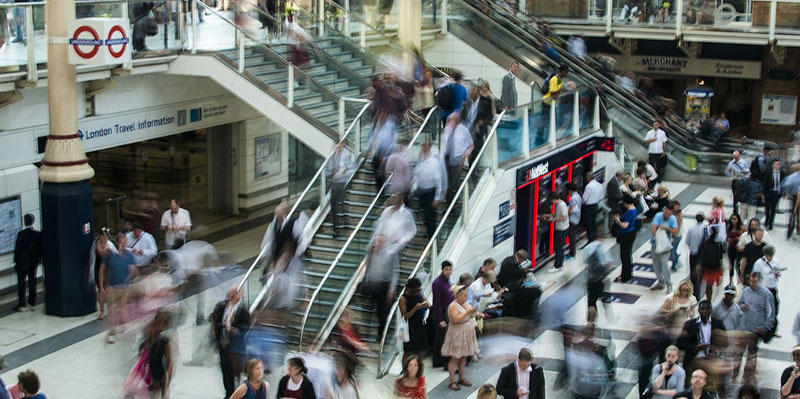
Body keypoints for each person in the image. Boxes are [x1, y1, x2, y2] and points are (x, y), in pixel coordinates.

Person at [363, 194, 417, 337]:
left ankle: (381, 334)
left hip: (384, 284)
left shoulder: (390, 254)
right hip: (373, 283)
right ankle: (367, 331)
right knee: (369, 307)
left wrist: (391, 289)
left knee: (382, 311)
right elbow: (368, 267)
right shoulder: (372, 253)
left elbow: (395, 272)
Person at [211, 287, 251, 398]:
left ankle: (236, 394)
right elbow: (214, 319)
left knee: (235, 373)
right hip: (223, 345)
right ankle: (228, 393)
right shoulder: (221, 307)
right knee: (225, 371)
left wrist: (236, 331)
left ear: (239, 295)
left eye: (234, 294)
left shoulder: (243, 311)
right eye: (230, 294)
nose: (231, 296)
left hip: (235, 349)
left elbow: (246, 329)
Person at [442, 285, 481, 391]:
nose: (465, 298)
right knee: (455, 357)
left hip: (467, 333)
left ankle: (461, 378)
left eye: (466, 295)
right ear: (457, 296)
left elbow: (470, 314)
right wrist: (468, 312)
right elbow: (455, 319)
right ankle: (452, 381)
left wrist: (476, 313)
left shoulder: (466, 303)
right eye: (463, 296)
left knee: (463, 356)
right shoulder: (453, 306)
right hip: (457, 333)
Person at [100, 233, 137, 344]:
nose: (124, 244)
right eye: (122, 242)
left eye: (125, 242)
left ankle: (125, 328)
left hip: (125, 288)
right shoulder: (109, 254)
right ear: (117, 242)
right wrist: (101, 286)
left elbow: (132, 271)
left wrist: (129, 283)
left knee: (125, 310)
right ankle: (112, 333)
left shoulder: (129, 255)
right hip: (112, 287)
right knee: (111, 310)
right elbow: (102, 270)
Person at [738, 271, 774, 384]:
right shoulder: (746, 291)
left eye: (754, 282)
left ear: (760, 281)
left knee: (751, 353)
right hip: (744, 328)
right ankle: (735, 373)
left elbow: (771, 313)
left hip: (756, 330)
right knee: (739, 352)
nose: (752, 284)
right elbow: (738, 304)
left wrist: (765, 327)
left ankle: (748, 376)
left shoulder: (766, 294)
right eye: (751, 281)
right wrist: (743, 306)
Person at [260, 199, 310, 272]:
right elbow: (269, 239)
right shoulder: (275, 223)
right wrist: (264, 254)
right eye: (276, 214)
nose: (277, 217)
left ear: (285, 213)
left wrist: (296, 255)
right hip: (280, 256)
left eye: (279, 214)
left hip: (292, 257)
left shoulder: (296, 221)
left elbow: (304, 239)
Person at [677, 300, 726, 373]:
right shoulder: (690, 324)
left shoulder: (717, 323)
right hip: (694, 360)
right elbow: (680, 343)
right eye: (702, 309)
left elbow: (725, 341)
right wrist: (695, 347)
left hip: (711, 360)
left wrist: (715, 349)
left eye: (707, 309)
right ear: (699, 310)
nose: (704, 311)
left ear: (711, 310)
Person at [413, 139, 444, 239]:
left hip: (430, 191)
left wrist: (437, 198)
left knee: (431, 215)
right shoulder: (421, 160)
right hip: (421, 191)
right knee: (424, 213)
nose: (422, 148)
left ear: (429, 147)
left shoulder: (434, 162)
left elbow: (438, 180)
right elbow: (416, 174)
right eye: (422, 146)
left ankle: (432, 235)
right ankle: (428, 231)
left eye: (424, 146)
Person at [443, 112, 474, 204]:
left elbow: (471, 146)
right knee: (447, 181)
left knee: (454, 183)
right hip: (446, 157)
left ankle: (454, 204)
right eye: (451, 119)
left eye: (454, 119)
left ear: (458, 120)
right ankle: (449, 201)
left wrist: (465, 156)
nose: (452, 122)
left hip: (457, 159)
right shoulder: (447, 129)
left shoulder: (463, 130)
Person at [13, 213, 42, 312]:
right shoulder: (36, 234)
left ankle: (22, 304)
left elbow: (18, 249)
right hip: (33, 263)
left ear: (25, 222)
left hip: (22, 263)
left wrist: (16, 260)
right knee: (32, 281)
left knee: (21, 283)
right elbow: (39, 249)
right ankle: (32, 302)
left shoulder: (21, 234)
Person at [142, 310, 173, 398]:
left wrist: (167, 377)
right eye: (156, 323)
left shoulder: (164, 341)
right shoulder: (148, 341)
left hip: (160, 375)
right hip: (152, 376)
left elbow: (170, 361)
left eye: (161, 324)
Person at [326, 141, 356, 230]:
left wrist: (343, 174)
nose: (339, 148)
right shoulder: (332, 157)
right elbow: (326, 169)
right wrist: (330, 175)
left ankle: (345, 221)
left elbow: (352, 168)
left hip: (343, 183)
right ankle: (335, 227)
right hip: (334, 183)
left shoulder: (347, 156)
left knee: (342, 203)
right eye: (337, 146)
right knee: (333, 205)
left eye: (341, 146)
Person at [752, 245, 781, 335]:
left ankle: (772, 329)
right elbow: (755, 275)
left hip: (772, 287)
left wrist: (777, 274)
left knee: (775, 307)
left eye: (771, 255)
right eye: (768, 255)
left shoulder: (776, 261)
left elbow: (778, 272)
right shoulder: (759, 263)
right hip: (763, 289)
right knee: (763, 309)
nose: (770, 257)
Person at [399, 278, 430, 362]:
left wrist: (425, 303)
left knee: (419, 350)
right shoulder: (403, 299)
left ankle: (417, 368)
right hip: (410, 327)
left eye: (419, 290)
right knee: (408, 351)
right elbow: (405, 316)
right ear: (409, 288)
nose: (417, 292)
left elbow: (428, 305)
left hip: (420, 324)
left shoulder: (419, 294)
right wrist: (416, 308)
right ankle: (405, 369)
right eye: (416, 290)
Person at [651, 203, 680, 292]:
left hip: (665, 245)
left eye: (669, 214)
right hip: (655, 244)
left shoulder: (672, 219)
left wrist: (666, 228)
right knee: (656, 264)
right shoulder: (658, 216)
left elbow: (675, 231)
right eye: (666, 213)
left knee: (665, 264)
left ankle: (669, 284)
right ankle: (661, 281)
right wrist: (657, 237)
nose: (667, 215)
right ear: (664, 211)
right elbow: (654, 227)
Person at [431, 261, 454, 368]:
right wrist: (440, 319)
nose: (448, 272)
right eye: (446, 270)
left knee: (443, 337)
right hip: (441, 313)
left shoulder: (446, 281)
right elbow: (437, 303)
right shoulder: (438, 283)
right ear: (442, 270)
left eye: (450, 269)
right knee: (441, 338)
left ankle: (441, 359)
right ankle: (438, 360)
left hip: (447, 312)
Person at [584, 238, 613, 321]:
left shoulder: (588, 248)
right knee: (605, 299)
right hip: (601, 279)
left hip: (591, 278)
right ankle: (609, 317)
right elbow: (608, 264)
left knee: (591, 300)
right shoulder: (602, 249)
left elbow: (585, 261)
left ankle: (591, 319)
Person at [697, 227, 724, 302]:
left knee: (709, 286)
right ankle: (710, 301)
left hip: (708, 268)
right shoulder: (719, 244)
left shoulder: (705, 243)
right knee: (713, 286)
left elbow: (701, 255)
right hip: (714, 268)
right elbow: (721, 257)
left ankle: (709, 300)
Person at [615, 196, 638, 282]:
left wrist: (618, 221)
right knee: (628, 255)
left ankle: (625, 275)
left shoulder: (629, 213)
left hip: (626, 235)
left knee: (624, 256)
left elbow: (625, 225)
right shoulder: (634, 209)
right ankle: (628, 273)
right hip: (632, 233)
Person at [545, 192, 569, 273]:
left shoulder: (561, 205)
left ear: (554, 199)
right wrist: (548, 215)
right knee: (560, 248)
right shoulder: (561, 204)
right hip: (563, 228)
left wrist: (554, 219)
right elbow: (557, 214)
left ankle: (557, 266)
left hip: (561, 229)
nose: (552, 202)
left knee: (558, 248)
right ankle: (560, 265)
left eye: (552, 200)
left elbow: (564, 217)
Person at [685, 213, 706, 299]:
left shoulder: (691, 229)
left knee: (693, 274)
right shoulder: (705, 229)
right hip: (702, 254)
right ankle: (699, 290)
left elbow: (687, 241)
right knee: (701, 273)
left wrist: (692, 245)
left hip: (693, 253)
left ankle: (695, 293)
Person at [581, 171, 604, 243]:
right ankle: (594, 237)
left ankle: (590, 240)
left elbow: (584, 199)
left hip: (588, 207)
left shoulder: (589, 186)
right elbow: (601, 196)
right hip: (595, 205)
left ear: (588, 178)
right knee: (594, 222)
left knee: (589, 224)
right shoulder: (599, 185)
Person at [763, 160, 785, 231]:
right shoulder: (768, 172)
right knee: (767, 208)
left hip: (776, 193)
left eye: (778, 164)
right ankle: (766, 221)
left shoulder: (782, 173)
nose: (776, 166)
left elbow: (783, 183)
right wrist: (763, 193)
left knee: (773, 209)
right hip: (769, 192)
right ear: (773, 165)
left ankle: (771, 223)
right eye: (775, 164)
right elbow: (764, 182)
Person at [726, 214, 745, 285]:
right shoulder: (729, 228)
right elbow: (726, 237)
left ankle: (739, 281)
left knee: (738, 264)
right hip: (731, 248)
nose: (733, 221)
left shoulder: (741, 228)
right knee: (731, 265)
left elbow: (745, 236)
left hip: (738, 249)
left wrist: (739, 238)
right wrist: (728, 239)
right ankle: (730, 282)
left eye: (735, 219)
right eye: (732, 219)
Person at [567, 183, 582, 260]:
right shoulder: (578, 196)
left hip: (572, 220)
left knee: (571, 237)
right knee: (572, 236)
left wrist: (566, 214)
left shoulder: (573, 198)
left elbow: (571, 210)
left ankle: (572, 254)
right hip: (577, 218)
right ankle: (572, 252)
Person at [670, 201, 684, 272]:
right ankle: (677, 262)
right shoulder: (674, 215)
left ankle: (674, 265)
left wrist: (675, 234)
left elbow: (678, 226)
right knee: (672, 250)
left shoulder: (678, 216)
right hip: (674, 234)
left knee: (673, 250)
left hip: (676, 235)